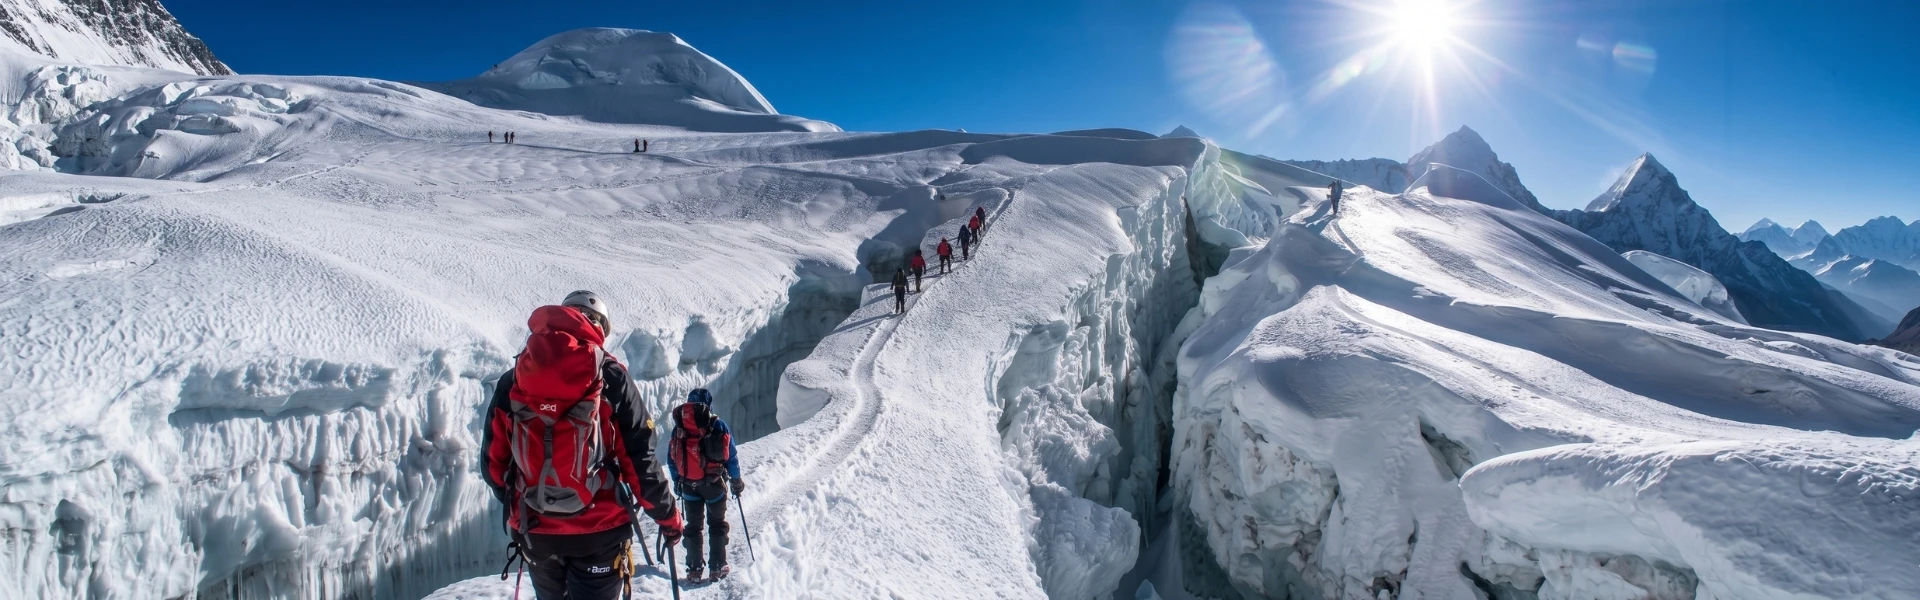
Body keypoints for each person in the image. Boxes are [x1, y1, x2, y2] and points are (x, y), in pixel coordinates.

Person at [483, 291, 683, 600]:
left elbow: (494, 465)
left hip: (535, 529)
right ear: (599, 328)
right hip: (599, 532)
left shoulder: (515, 378)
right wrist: (668, 518)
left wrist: (528, 502)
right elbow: (640, 461)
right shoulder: (611, 377)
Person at [667, 389, 745, 584]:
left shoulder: (679, 428)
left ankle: (694, 570)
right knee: (717, 524)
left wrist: (677, 480)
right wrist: (736, 481)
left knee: (693, 526)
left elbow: (671, 458)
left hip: (688, 486)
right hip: (713, 485)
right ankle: (717, 567)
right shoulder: (718, 425)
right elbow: (731, 457)